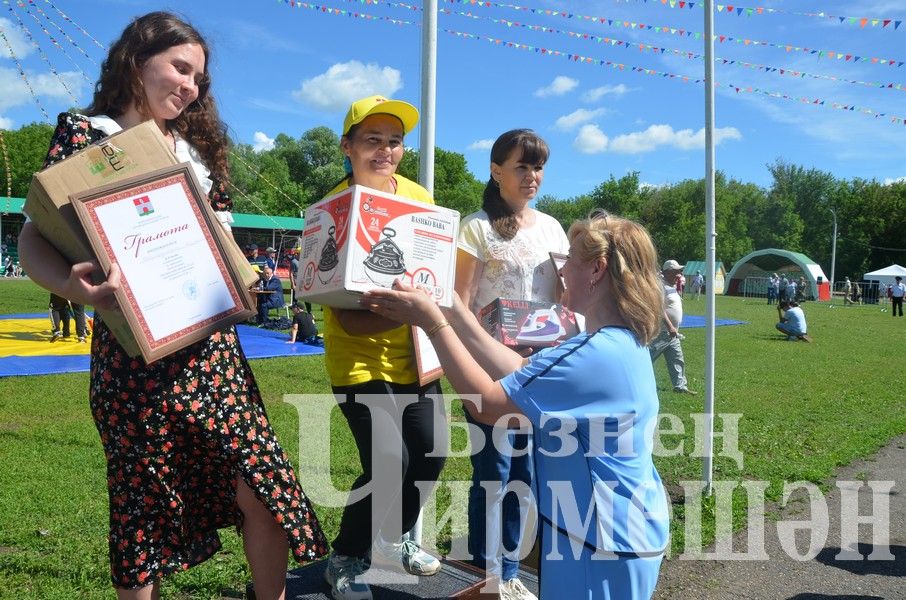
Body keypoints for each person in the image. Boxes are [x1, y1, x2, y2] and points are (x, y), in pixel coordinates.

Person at [17, 12, 327, 598]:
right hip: (134, 358)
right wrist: (75, 290)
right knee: (142, 505)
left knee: (265, 484)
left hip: (213, 355)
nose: (190, 86)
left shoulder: (200, 151)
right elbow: (34, 235)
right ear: (137, 60)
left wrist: (245, 275)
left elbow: (223, 244)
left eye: (199, 79)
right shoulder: (89, 134)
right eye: (180, 68)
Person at [362, 210, 670, 600]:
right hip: (619, 535)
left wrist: (432, 324)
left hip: (598, 544)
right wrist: (455, 311)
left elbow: (487, 406)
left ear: (597, 269)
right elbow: (521, 368)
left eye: (569, 261)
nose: (561, 273)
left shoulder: (595, 354)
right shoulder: (617, 344)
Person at [321, 95, 447, 600]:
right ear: (347, 146)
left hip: (415, 352)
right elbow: (342, 310)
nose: (386, 150)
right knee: (388, 459)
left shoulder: (418, 194)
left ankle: (395, 540)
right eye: (372, 140)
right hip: (356, 355)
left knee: (432, 454)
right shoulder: (333, 204)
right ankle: (346, 557)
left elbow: (433, 266)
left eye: (394, 141)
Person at [455, 129, 567, 600]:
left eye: (538, 166)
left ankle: (512, 570)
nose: (532, 176)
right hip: (490, 370)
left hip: (543, 370)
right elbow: (458, 301)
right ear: (496, 170)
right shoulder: (476, 228)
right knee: (494, 471)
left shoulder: (553, 228)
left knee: (530, 474)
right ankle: (490, 573)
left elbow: (563, 302)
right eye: (522, 166)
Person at [649, 259, 696, 395]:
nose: (679, 275)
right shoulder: (660, 286)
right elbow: (658, 308)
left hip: (672, 334)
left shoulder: (671, 286)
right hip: (662, 332)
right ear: (667, 272)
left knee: (677, 359)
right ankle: (635, 381)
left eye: (679, 272)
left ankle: (680, 386)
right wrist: (670, 326)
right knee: (647, 358)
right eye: (676, 272)